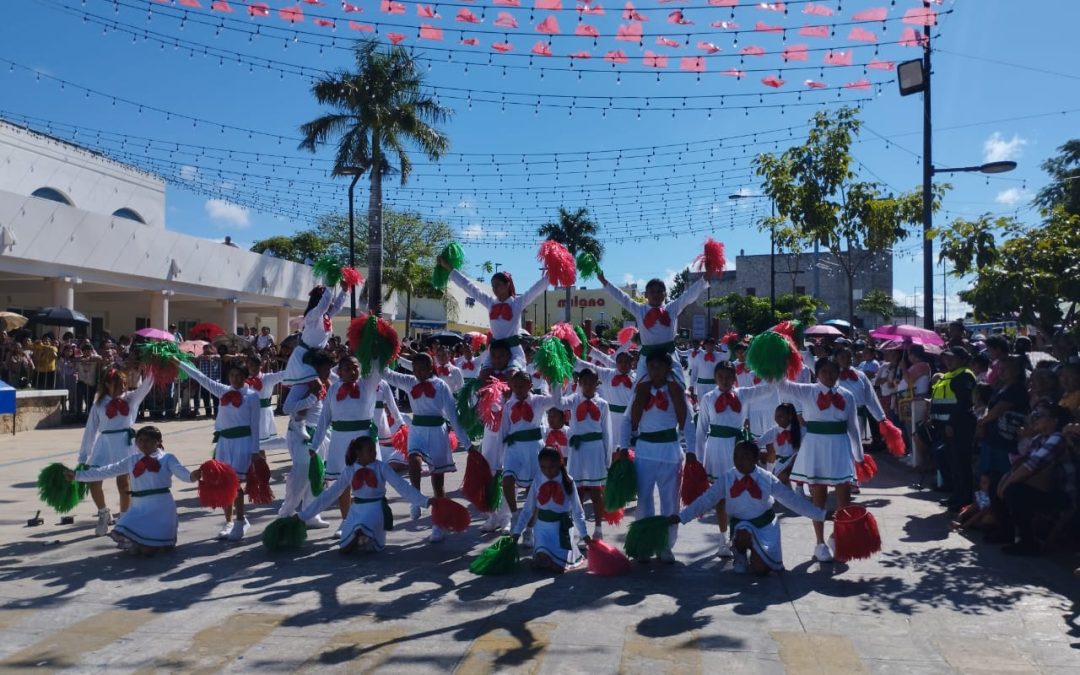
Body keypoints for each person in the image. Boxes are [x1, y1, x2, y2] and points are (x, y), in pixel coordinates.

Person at [675, 440, 833, 575]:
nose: (739, 460)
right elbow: (707, 499)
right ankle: (740, 553)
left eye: (744, 456)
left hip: (765, 526)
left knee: (761, 571)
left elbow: (792, 500)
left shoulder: (766, 478)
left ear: (756, 458)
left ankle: (757, 554)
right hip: (741, 526)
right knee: (743, 530)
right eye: (736, 456)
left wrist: (821, 514)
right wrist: (682, 516)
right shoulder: (727, 478)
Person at [775, 357, 860, 562]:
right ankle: (820, 543)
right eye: (825, 372)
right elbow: (782, 384)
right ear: (817, 373)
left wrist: (859, 456)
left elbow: (853, 427)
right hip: (815, 448)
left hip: (840, 447)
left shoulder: (847, 396)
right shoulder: (807, 390)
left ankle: (836, 536)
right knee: (818, 498)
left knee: (844, 499)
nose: (829, 376)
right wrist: (777, 356)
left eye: (833, 372)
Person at [383, 352, 473, 542]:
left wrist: (468, 444)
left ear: (430, 367)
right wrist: (377, 355)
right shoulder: (409, 381)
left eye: (422, 369)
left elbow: (453, 416)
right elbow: (387, 375)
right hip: (417, 430)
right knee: (413, 460)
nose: (418, 373)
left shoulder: (441, 386)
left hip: (437, 432)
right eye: (415, 369)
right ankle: (416, 498)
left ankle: (438, 525)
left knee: (437, 483)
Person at [70, 426, 201, 555]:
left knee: (150, 550)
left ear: (158, 442)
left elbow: (182, 473)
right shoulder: (132, 460)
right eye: (140, 440)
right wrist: (77, 475)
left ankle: (158, 543)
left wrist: (192, 476)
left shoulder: (168, 458)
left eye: (148, 440)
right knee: (134, 544)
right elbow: (107, 470)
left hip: (161, 508)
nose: (143, 444)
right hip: (139, 507)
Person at [296, 436, 431, 553]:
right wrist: (303, 515)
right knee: (346, 542)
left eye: (374, 449)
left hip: (376, 509)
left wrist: (424, 501)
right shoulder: (349, 471)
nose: (374, 453)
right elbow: (330, 494)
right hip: (356, 511)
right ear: (358, 453)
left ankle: (361, 535)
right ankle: (358, 537)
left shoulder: (381, 467)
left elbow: (402, 486)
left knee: (363, 529)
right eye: (370, 450)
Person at [694, 361, 775, 554]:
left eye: (729, 376)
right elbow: (701, 430)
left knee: (742, 493)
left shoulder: (743, 394)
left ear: (735, 378)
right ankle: (723, 540)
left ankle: (741, 537)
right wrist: (698, 460)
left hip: (739, 449)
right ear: (715, 378)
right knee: (721, 496)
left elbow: (768, 389)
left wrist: (774, 366)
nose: (725, 380)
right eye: (721, 376)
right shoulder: (707, 398)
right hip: (715, 448)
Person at [177, 359, 261, 540]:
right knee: (224, 483)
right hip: (224, 443)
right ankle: (229, 521)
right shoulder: (222, 391)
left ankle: (240, 521)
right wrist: (179, 363)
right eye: (232, 375)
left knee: (237, 484)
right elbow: (201, 377)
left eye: (239, 376)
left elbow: (256, 426)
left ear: (246, 377)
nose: (235, 379)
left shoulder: (253, 397)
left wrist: (255, 451)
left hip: (242, 443)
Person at [625, 351, 694, 564]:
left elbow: (689, 422)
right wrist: (621, 446)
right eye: (651, 367)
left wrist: (692, 451)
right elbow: (626, 420)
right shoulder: (640, 391)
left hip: (670, 452)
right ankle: (645, 544)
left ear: (668, 369)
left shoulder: (676, 391)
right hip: (645, 452)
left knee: (670, 502)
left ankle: (665, 545)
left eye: (660, 367)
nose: (655, 371)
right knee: (644, 501)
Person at [76, 368, 156, 536]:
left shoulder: (131, 399)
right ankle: (104, 513)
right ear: (107, 384)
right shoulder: (98, 404)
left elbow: (147, 385)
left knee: (123, 483)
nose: (123, 388)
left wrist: (154, 366)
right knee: (94, 481)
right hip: (104, 445)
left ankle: (124, 520)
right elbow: (90, 429)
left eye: (125, 384)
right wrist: (84, 456)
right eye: (119, 384)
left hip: (123, 444)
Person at [596, 271, 706, 388]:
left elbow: (688, 296)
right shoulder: (640, 310)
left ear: (665, 294)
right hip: (647, 357)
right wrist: (604, 281)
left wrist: (705, 279)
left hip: (669, 355)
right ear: (646, 295)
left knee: (680, 387)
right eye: (652, 291)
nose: (656, 294)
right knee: (638, 391)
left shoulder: (671, 308)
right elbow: (622, 298)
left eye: (659, 291)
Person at [309, 356, 383, 522]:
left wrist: (375, 346)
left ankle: (366, 521)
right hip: (340, 442)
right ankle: (346, 522)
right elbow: (324, 418)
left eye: (355, 367)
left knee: (366, 482)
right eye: (347, 368)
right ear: (339, 372)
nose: (352, 371)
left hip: (364, 441)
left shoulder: (368, 384)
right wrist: (315, 445)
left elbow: (377, 365)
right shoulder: (334, 389)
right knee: (344, 484)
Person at [437, 261, 549, 369]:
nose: (495, 289)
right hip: (494, 351)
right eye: (493, 286)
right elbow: (468, 286)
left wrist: (551, 274)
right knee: (483, 378)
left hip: (513, 351)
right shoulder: (490, 302)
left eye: (498, 285)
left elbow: (536, 289)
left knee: (513, 376)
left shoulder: (517, 303)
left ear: (507, 285)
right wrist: (449, 268)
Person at [997, 403, 1076, 555]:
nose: (1035, 419)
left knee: (1014, 490)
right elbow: (1021, 464)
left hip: (1062, 495)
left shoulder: (1057, 438)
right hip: (1044, 488)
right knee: (997, 481)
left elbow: (1032, 466)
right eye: (1034, 415)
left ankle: (1028, 543)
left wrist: (1007, 484)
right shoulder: (1039, 439)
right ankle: (1005, 532)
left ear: (1054, 421)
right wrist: (1003, 482)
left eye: (1040, 416)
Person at [497, 370, 564, 547]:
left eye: (523, 385)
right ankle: (515, 514)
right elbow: (503, 431)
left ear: (530, 386)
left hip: (534, 448)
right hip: (514, 449)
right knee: (507, 480)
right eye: (516, 385)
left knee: (533, 491)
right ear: (511, 386)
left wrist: (555, 381)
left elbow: (557, 401)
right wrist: (500, 457)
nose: (519, 389)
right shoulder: (508, 405)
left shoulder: (538, 401)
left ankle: (529, 529)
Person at [510, 447, 591, 573]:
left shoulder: (568, 481)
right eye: (543, 467)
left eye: (551, 466)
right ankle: (543, 556)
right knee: (541, 559)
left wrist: (584, 534)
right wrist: (517, 531)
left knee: (558, 568)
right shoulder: (537, 479)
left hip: (561, 529)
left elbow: (577, 511)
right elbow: (527, 509)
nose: (547, 471)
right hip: (541, 529)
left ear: (560, 463)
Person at [279, 349, 335, 529]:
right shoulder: (302, 385)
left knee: (317, 475)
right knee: (301, 475)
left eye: (329, 370)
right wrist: (312, 396)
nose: (327, 374)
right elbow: (287, 408)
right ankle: (286, 512)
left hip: (320, 434)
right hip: (300, 434)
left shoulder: (329, 383)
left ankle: (311, 513)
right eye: (323, 370)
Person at [561, 367, 613, 540]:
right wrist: (553, 379)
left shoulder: (603, 404)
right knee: (578, 492)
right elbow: (558, 403)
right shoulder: (574, 400)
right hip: (578, 450)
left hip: (596, 450)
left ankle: (598, 527)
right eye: (585, 382)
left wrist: (607, 459)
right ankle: (578, 528)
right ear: (580, 383)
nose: (589, 385)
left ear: (597, 384)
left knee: (596, 492)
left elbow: (607, 433)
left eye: (592, 382)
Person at [931, 347, 977, 511]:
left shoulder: (964, 375)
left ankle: (964, 500)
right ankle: (956, 496)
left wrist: (951, 423)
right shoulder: (950, 374)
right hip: (945, 426)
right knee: (953, 463)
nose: (948, 361)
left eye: (952, 358)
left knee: (961, 464)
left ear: (963, 359)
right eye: (946, 358)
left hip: (959, 426)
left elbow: (963, 403)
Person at [282, 282, 349, 387]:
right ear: (319, 301)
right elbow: (322, 306)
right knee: (304, 388)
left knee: (334, 382)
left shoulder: (326, 317)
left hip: (318, 356)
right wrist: (330, 287)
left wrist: (344, 291)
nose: (330, 302)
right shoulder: (311, 315)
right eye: (328, 299)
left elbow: (337, 307)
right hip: (304, 356)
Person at [574, 350, 635, 451]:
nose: (623, 364)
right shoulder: (607, 374)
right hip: (610, 417)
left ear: (632, 363)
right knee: (609, 445)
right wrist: (573, 358)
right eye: (620, 361)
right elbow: (590, 367)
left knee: (627, 448)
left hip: (628, 418)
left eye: (627, 362)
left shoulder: (637, 378)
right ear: (616, 363)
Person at [243, 353, 287, 445]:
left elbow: (284, 374)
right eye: (250, 365)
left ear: (261, 365)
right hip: (249, 412)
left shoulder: (268, 378)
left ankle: (260, 459)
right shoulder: (244, 380)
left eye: (256, 365)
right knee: (249, 442)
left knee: (262, 444)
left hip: (264, 413)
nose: (253, 368)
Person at [759, 402, 803, 479]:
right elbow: (759, 441)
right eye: (776, 416)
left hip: (797, 464)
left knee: (784, 476)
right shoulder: (774, 431)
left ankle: (799, 486)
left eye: (781, 416)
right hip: (781, 464)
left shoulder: (801, 430)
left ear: (790, 416)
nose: (777, 419)